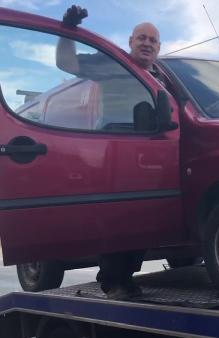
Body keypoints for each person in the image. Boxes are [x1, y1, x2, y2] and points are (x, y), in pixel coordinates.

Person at [57, 5, 164, 300]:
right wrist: (68, 30)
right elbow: (66, 63)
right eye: (141, 37)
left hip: (153, 154)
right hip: (117, 150)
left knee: (143, 217)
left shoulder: (162, 77)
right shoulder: (111, 63)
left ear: (158, 47)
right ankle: (112, 280)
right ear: (130, 41)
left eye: (152, 40)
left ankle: (124, 278)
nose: (146, 43)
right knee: (121, 216)